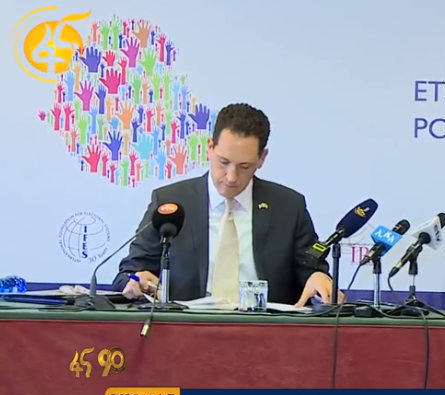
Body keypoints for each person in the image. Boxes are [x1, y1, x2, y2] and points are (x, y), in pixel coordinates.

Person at [112, 103, 345, 306]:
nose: (231, 177)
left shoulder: (288, 207)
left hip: (267, 331)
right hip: (185, 329)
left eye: (244, 167)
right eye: (224, 162)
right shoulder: (171, 202)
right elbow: (129, 272)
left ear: (262, 158)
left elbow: (311, 268)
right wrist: (137, 280)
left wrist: (318, 278)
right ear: (210, 147)